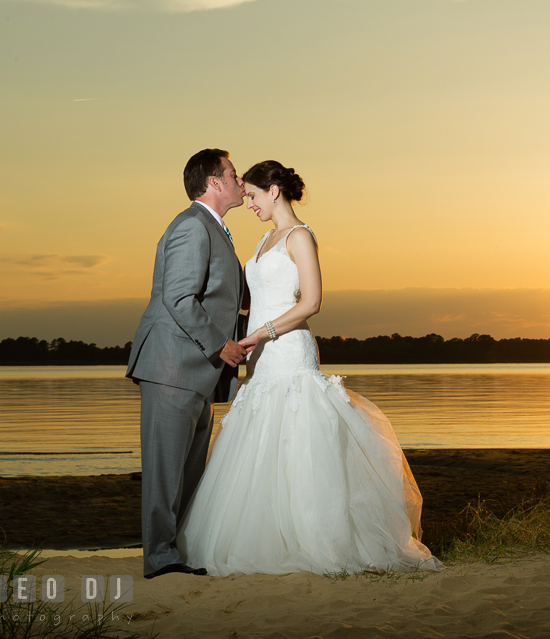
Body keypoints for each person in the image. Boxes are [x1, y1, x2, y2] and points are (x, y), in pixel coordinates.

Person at [178, 161, 441, 576]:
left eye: (253, 196)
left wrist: (261, 332)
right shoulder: (265, 240)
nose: (249, 204)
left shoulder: (300, 237)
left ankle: (315, 538)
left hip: (287, 350)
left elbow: (311, 303)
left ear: (275, 190)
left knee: (299, 442)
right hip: (260, 359)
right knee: (262, 445)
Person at [126, 149, 248, 579]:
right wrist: (222, 346)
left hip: (199, 372)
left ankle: (175, 552)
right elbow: (178, 297)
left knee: (189, 472)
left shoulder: (216, 230)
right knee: (165, 471)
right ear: (214, 182)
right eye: (233, 173)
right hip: (172, 366)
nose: (240, 180)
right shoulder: (191, 226)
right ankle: (159, 560)